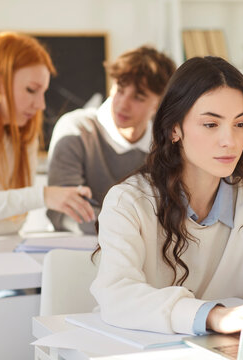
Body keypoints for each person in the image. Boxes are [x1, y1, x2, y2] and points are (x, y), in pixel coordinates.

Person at [90, 56, 243, 335]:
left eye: (240, 124)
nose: (229, 141)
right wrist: (212, 316)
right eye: (211, 124)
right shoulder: (128, 202)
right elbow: (116, 295)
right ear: (174, 128)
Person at [0, 32, 95, 237]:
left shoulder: (24, 138)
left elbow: (12, 221)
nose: (41, 105)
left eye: (43, 92)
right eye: (31, 90)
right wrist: (43, 196)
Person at [47, 46, 176, 234]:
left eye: (138, 97)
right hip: (79, 250)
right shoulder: (76, 130)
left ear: (159, 103)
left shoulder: (166, 145)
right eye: (120, 89)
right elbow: (63, 214)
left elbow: (171, 213)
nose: (123, 104)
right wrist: (132, 230)